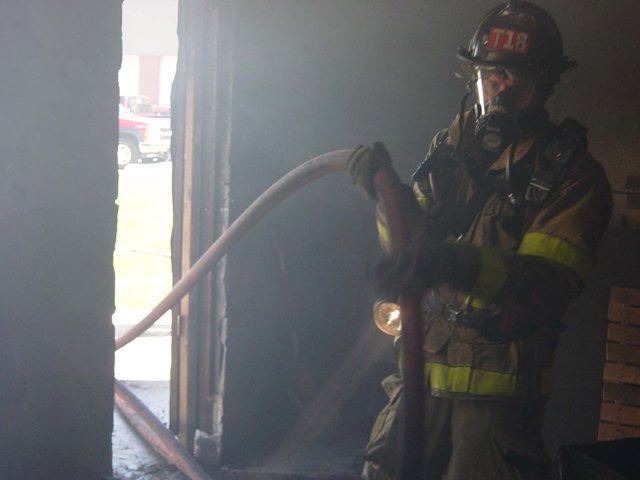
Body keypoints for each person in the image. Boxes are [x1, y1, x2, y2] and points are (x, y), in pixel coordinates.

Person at [347, 2, 612, 479]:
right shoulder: (449, 149)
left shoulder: (572, 176)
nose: (501, 90)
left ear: (545, 84)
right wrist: (388, 196)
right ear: (474, 78)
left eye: (516, 78)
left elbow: (547, 284)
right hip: (418, 375)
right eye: (491, 77)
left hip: (498, 399)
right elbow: (409, 244)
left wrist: (453, 264)